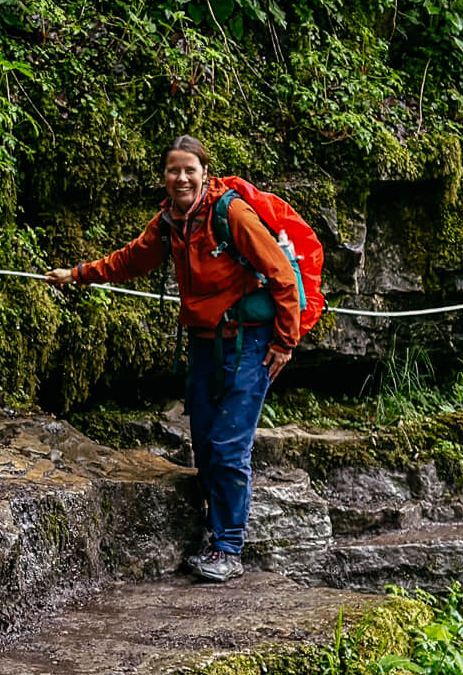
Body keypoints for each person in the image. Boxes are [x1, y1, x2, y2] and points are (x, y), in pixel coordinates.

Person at [46, 136, 301, 583]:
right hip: (204, 343)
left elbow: (280, 273)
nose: (181, 177)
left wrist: (285, 341)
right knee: (203, 444)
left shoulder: (231, 214)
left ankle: (228, 548)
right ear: (164, 176)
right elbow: (131, 259)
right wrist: (78, 275)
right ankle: (216, 535)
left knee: (227, 447)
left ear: (205, 172)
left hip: (250, 343)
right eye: (173, 170)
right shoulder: (169, 221)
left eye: (189, 170)